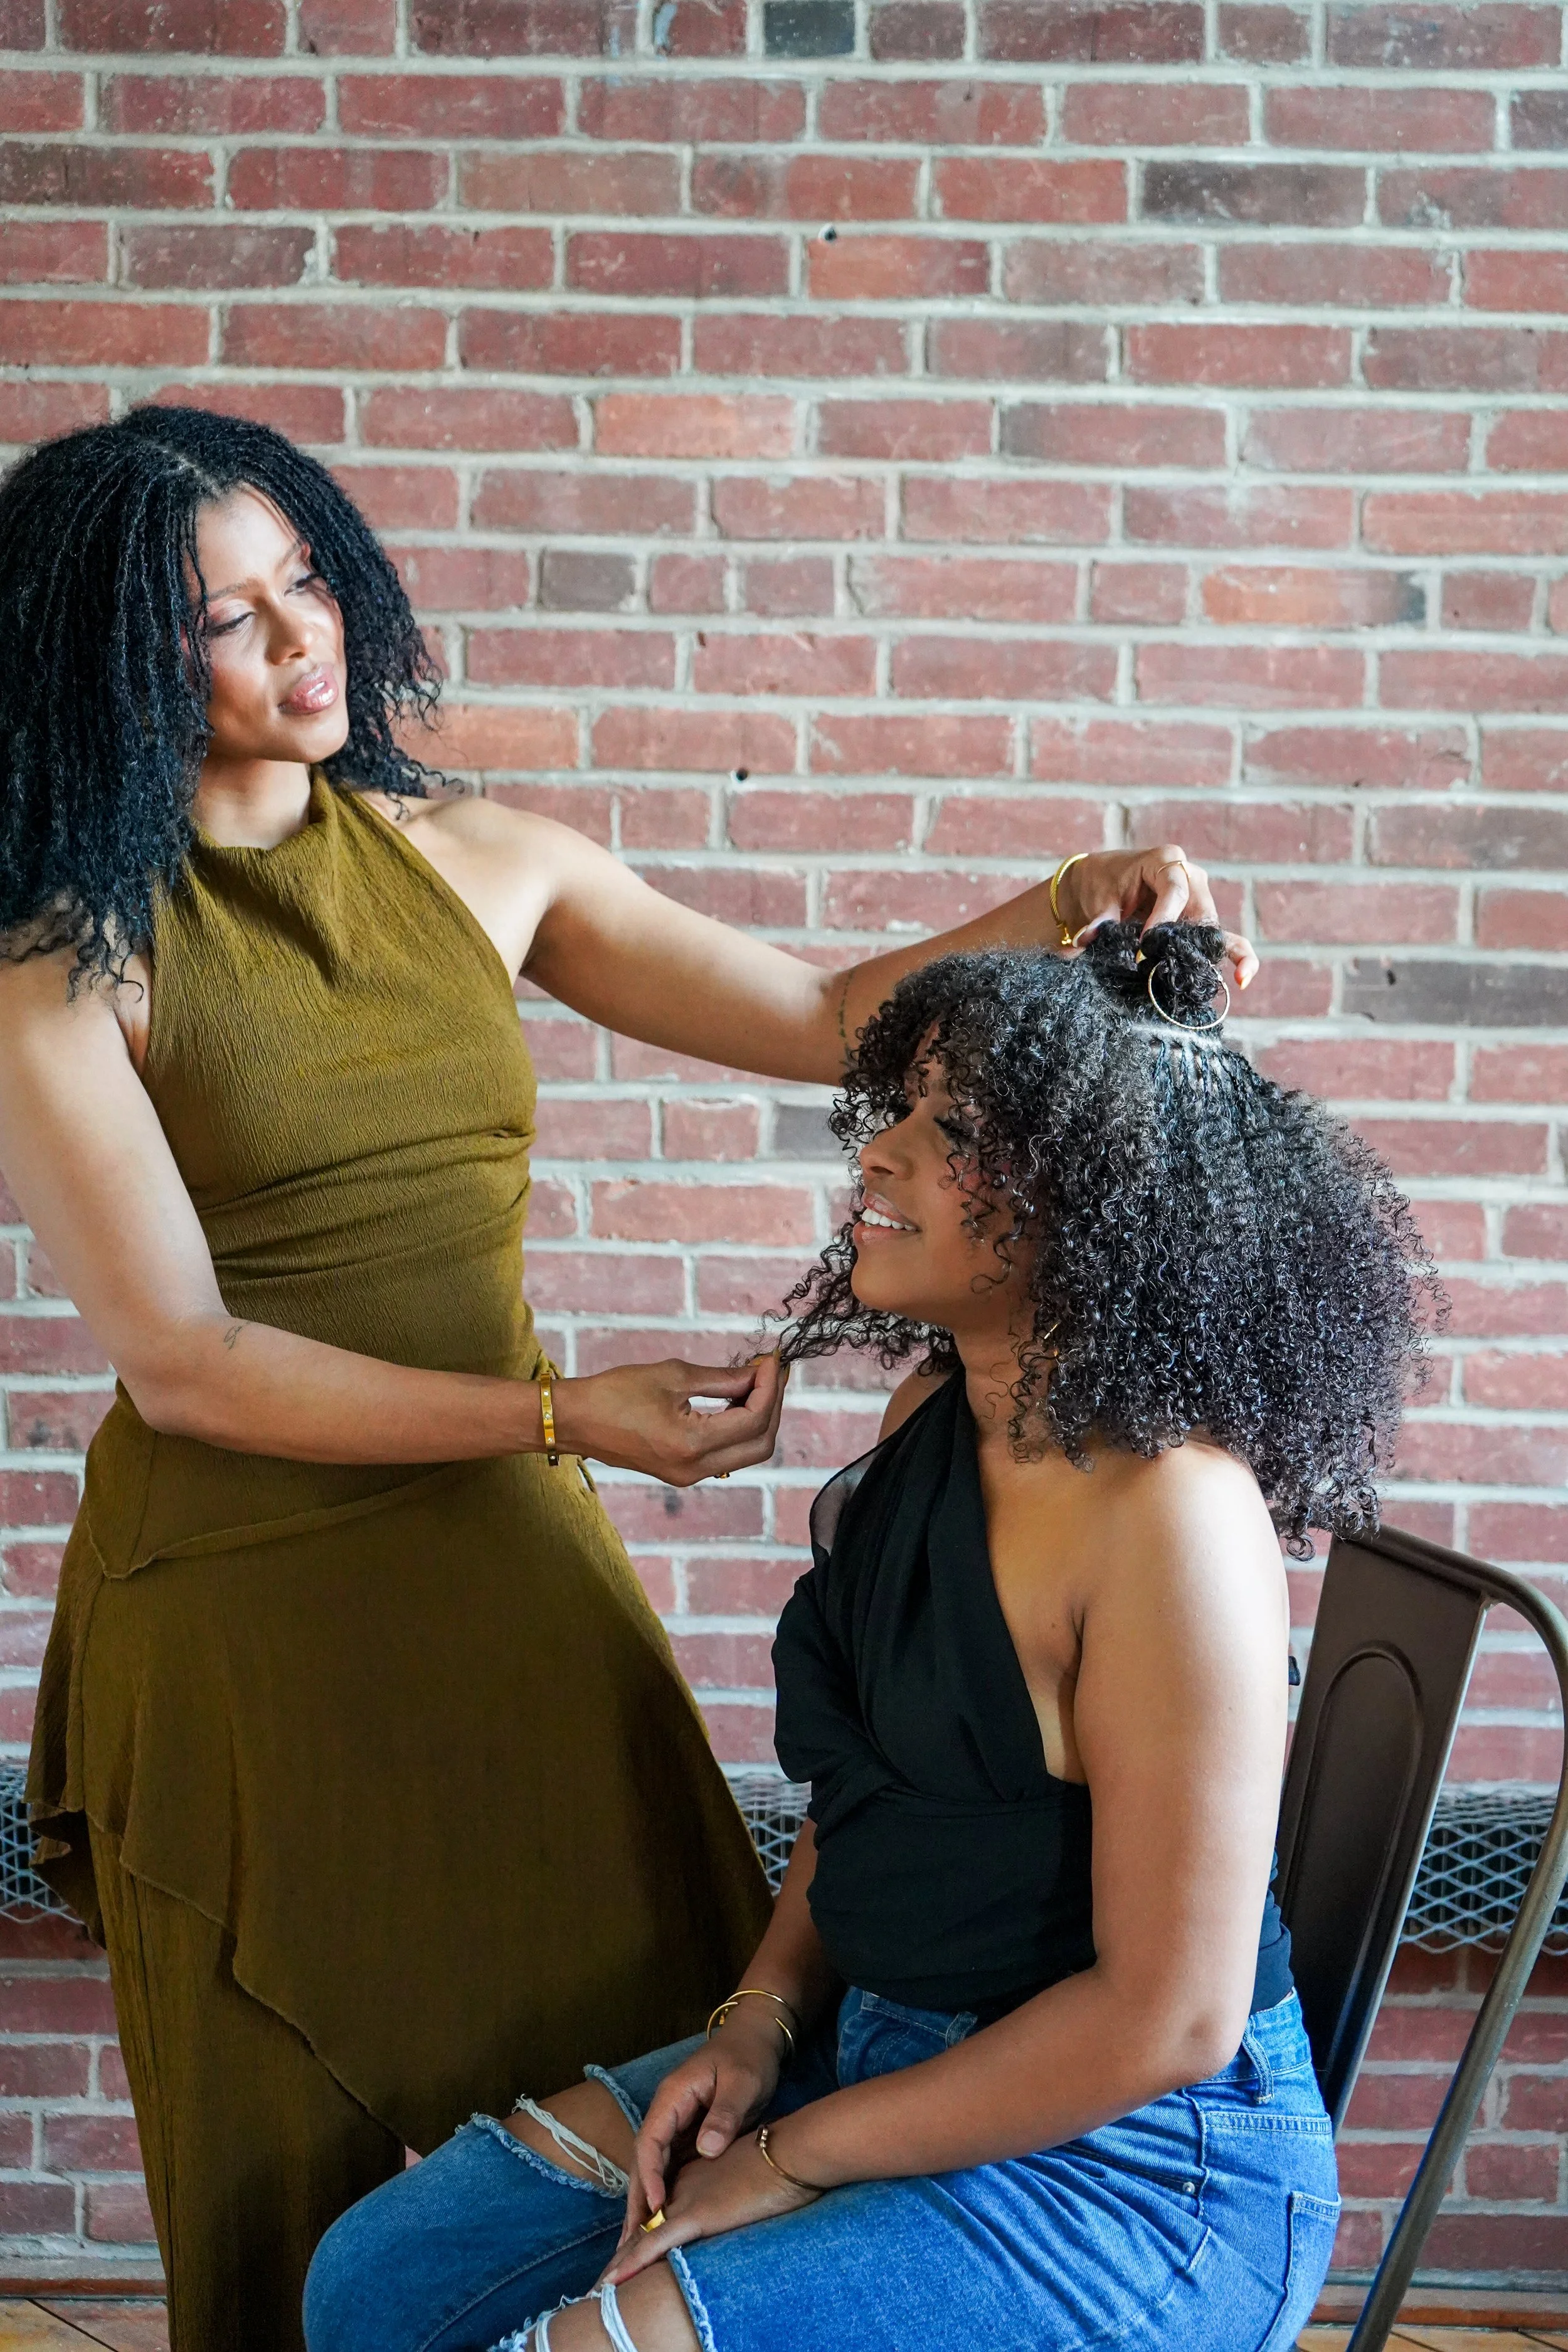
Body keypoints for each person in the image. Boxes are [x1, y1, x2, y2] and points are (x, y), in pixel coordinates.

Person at [0, 403, 1247, 2352]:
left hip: (495, 1547)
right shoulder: (63, 970)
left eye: (305, 577)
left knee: (660, 2012)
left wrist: (1062, 896)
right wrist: (567, 1413)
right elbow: (188, 1361)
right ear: (104, 665)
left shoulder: (481, 860)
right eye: (221, 621)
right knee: (290, 2152)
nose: (301, 638)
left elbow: (833, 1018)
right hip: (243, 1607)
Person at [303, 921, 1435, 2352]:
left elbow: (1165, 2020)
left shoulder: (1171, 1518)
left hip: (1143, 2170)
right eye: (893, 1108)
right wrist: (759, 2022)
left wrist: (788, 2156)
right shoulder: (927, 1424)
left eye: (945, 1128)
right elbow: (871, 1791)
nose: (876, 1152)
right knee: (379, 2283)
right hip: (887, 2042)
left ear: (1095, 1196)